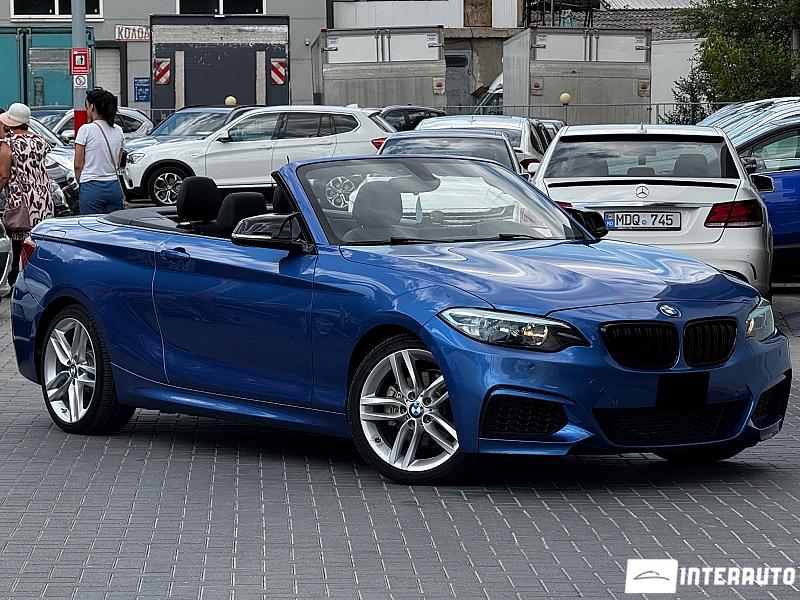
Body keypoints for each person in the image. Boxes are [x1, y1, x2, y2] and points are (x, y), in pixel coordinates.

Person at [0, 103, 54, 292]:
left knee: (19, 245)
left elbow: (4, 175)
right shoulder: (40, 140)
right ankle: (40, 280)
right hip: (43, 199)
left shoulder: (8, 144)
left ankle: (19, 282)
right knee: (39, 242)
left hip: (21, 202)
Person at [75, 88, 125, 214]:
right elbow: (117, 163)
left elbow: (78, 165)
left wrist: (80, 180)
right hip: (114, 187)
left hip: (91, 187)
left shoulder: (85, 130)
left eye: (87, 106)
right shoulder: (118, 130)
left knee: (91, 224)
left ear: (92, 107)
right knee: (112, 224)